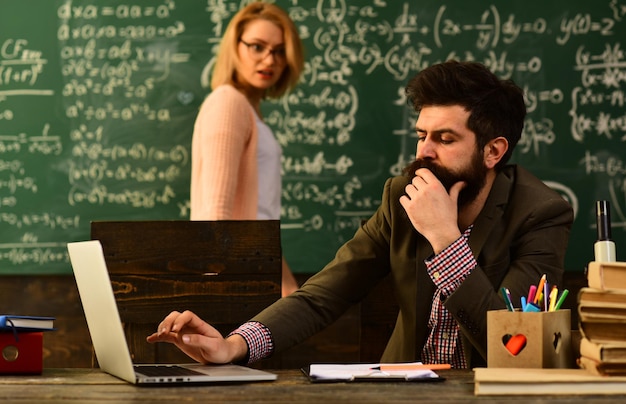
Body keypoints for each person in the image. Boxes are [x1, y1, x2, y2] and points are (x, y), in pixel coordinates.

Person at [149, 60, 574, 368]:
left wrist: (446, 240)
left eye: (445, 138)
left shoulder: (540, 214)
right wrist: (233, 345)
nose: (424, 151)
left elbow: (513, 343)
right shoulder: (400, 197)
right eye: (421, 135)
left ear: (493, 151)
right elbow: (324, 295)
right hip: (402, 393)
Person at [190, 2, 303, 296]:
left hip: (256, 265)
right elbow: (216, 216)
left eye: (279, 51)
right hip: (237, 277)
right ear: (235, 48)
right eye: (257, 46)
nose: (269, 59)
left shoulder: (249, 108)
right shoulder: (228, 103)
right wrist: (218, 293)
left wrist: (285, 280)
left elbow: (259, 217)